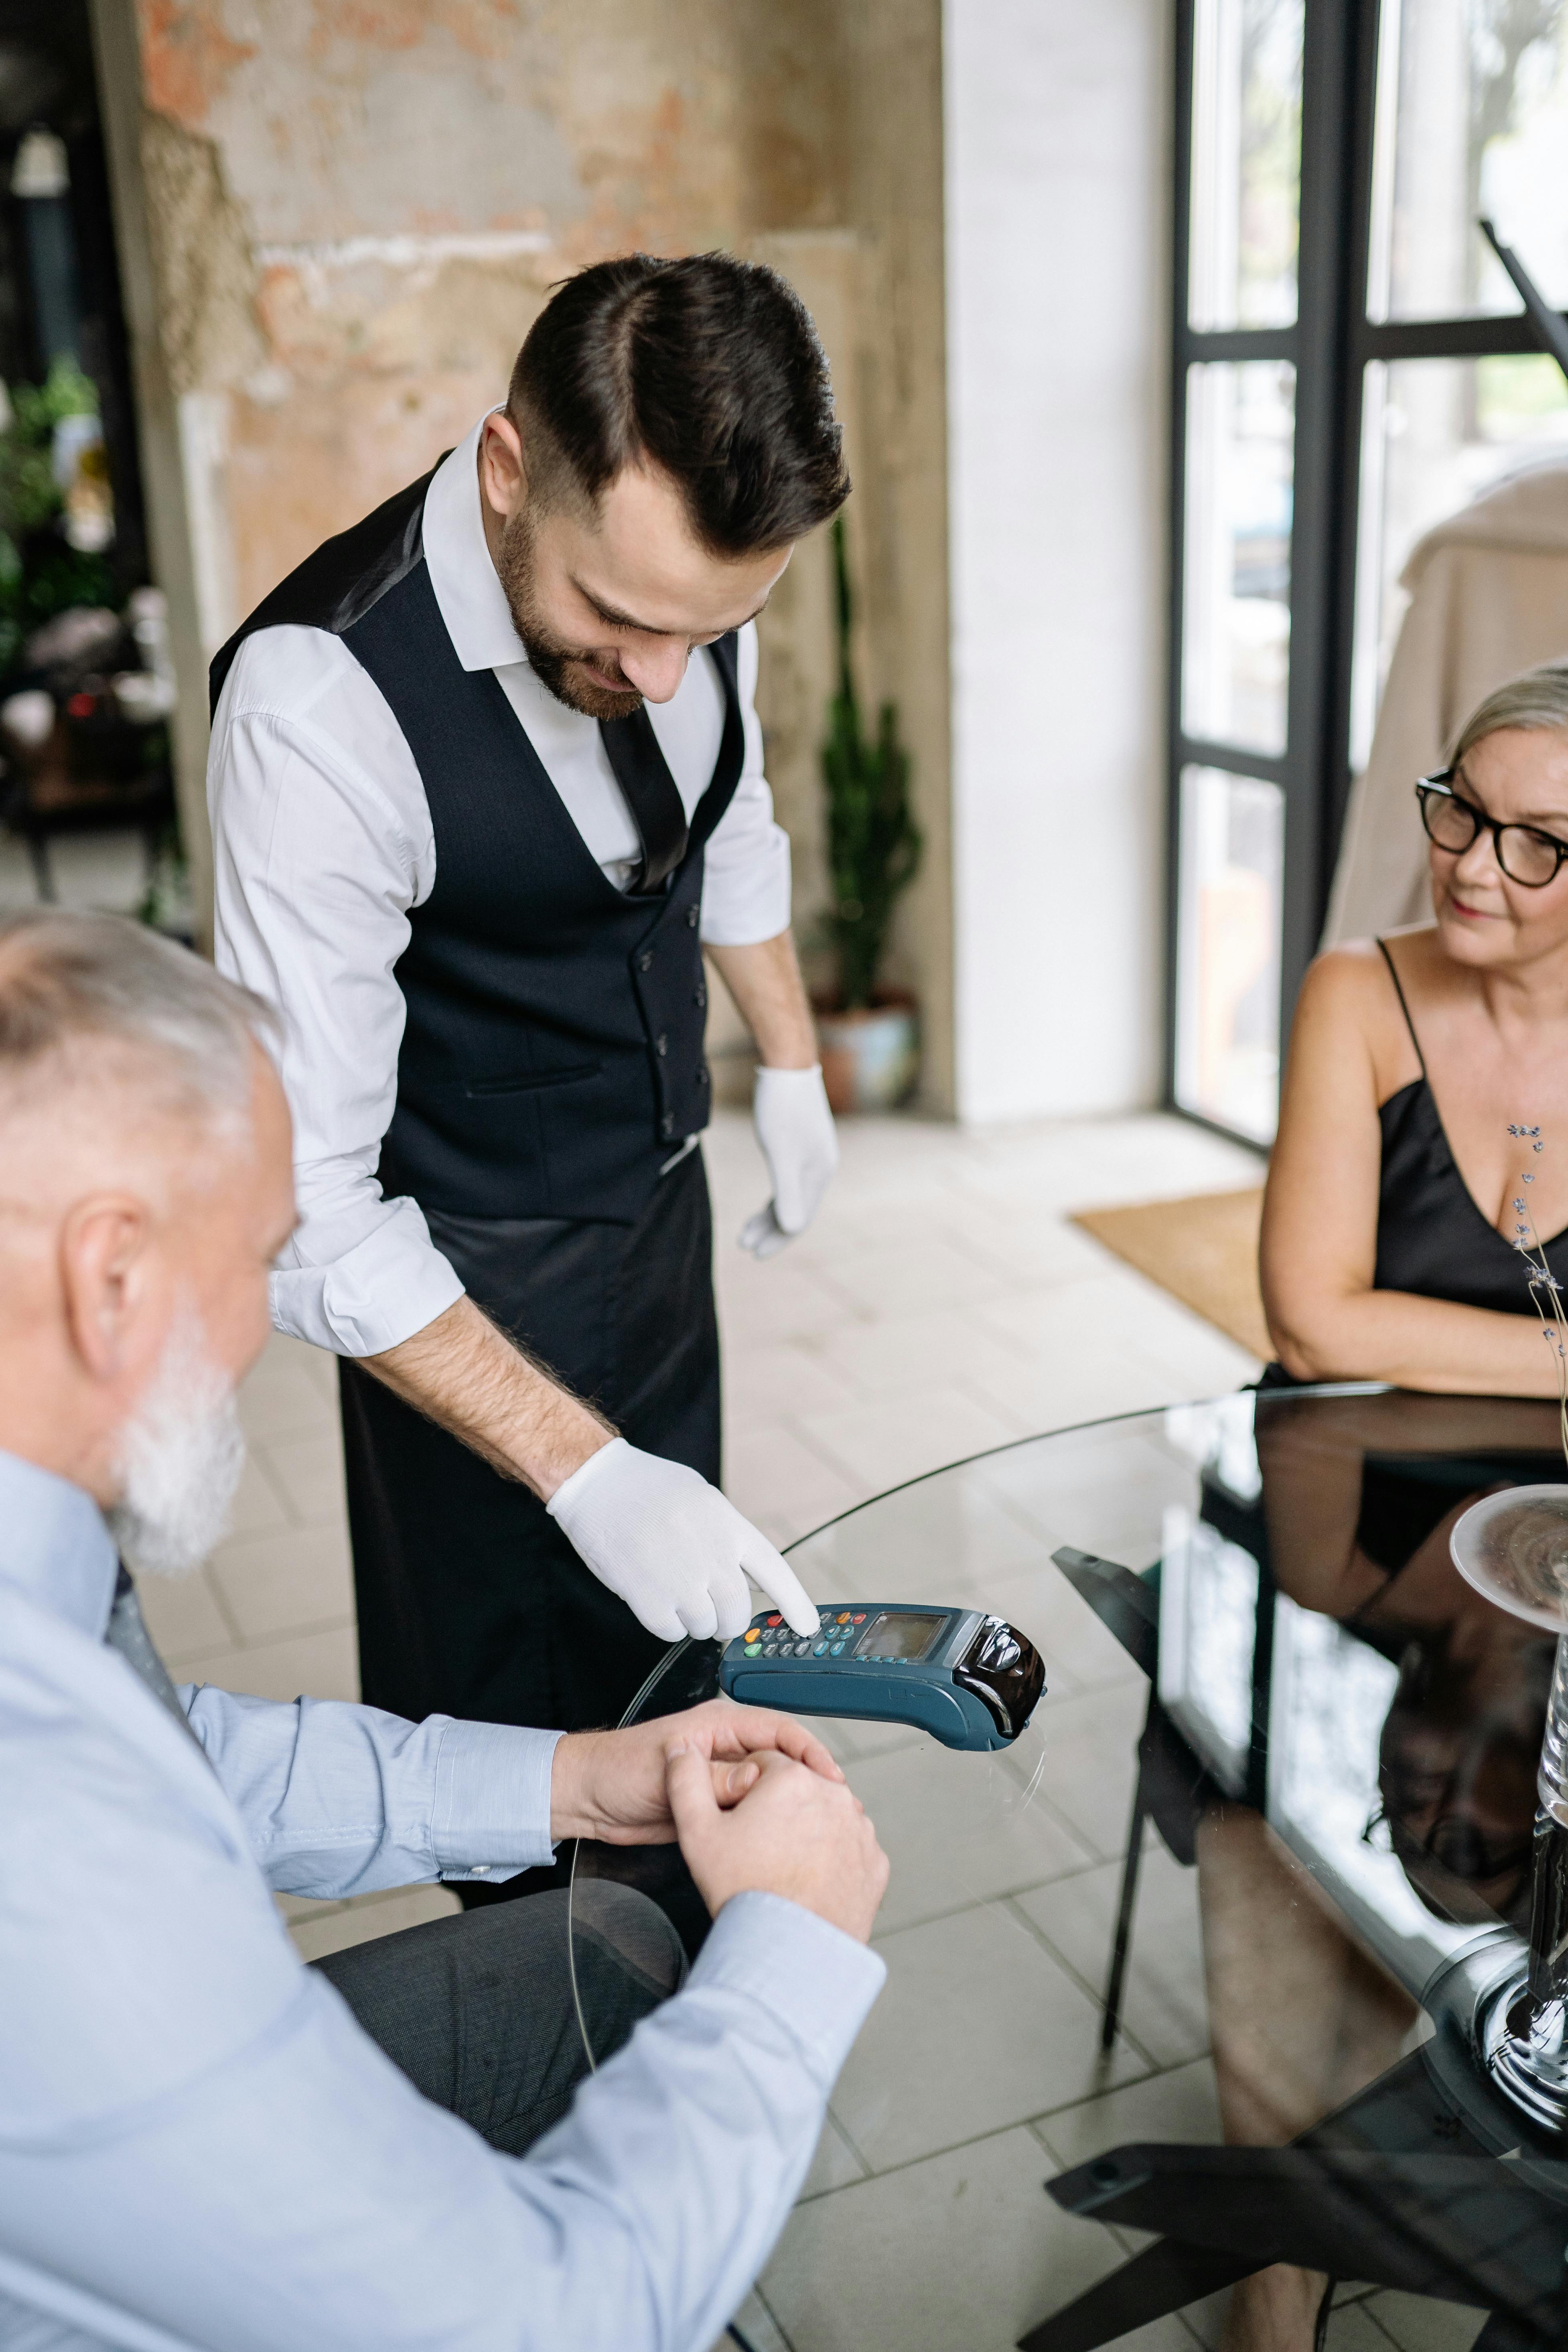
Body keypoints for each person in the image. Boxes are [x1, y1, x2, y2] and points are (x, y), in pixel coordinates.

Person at [0, 908, 889, 2349]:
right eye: (262, 1258)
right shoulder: (60, 1863)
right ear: (111, 1276)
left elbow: (181, 1755)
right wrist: (792, 1938)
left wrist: (569, 1779)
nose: (257, 1333)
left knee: (593, 1948)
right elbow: (546, 2318)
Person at [207, 252, 845, 1784]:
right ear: (509, 470)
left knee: (678, 1690)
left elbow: (729, 821)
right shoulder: (319, 711)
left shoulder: (686, 585)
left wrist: (796, 1063)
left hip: (658, 1225)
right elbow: (303, 1214)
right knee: (516, 1753)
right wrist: (585, 1472)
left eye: (714, 627)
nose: (660, 670)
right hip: (459, 1290)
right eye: (619, 617)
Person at [1262, 660, 1568, 1391]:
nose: (1469, 869)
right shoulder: (1354, 994)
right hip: (1352, 1463)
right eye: (1461, 810)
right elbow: (1311, 1330)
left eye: (1538, 840)